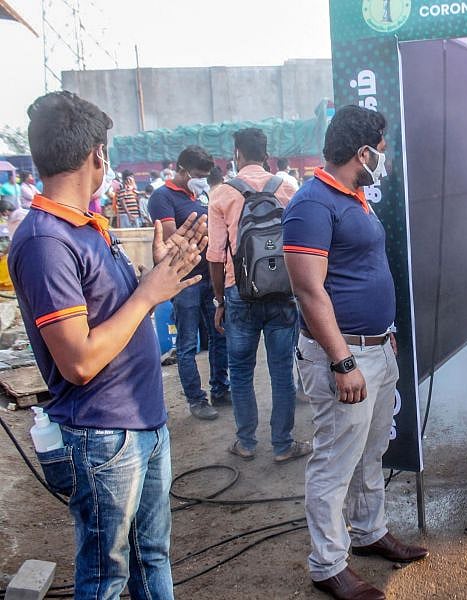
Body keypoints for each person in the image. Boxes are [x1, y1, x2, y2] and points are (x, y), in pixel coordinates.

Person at [10, 90, 209, 600]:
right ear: (98, 154)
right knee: (106, 579)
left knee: (153, 558)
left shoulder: (87, 228)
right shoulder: (46, 240)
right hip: (104, 435)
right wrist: (147, 294)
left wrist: (157, 273)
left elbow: (111, 311)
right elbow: (78, 361)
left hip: (140, 422)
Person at [284, 105, 428, 600]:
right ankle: (327, 564)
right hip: (345, 359)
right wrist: (343, 361)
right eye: (381, 150)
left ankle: (368, 532)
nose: (384, 159)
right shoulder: (311, 203)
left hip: (376, 349)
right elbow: (308, 290)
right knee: (334, 462)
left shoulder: (354, 197)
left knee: (371, 451)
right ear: (362, 152)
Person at [207, 128, 309, 461]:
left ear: (237, 153)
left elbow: (215, 255)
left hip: (240, 294)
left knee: (240, 370)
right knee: (282, 371)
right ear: (266, 153)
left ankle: (246, 442)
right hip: (282, 294)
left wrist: (220, 301)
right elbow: (298, 243)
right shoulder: (288, 188)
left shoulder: (222, 194)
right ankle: (282, 445)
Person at [149, 145, 229, 420]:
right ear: (181, 169)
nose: (201, 179)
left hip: (209, 277)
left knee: (220, 334)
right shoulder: (163, 197)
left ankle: (221, 388)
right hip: (184, 281)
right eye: (197, 174)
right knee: (186, 343)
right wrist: (209, 229)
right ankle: (196, 399)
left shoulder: (202, 195)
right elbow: (173, 239)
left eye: (205, 175)